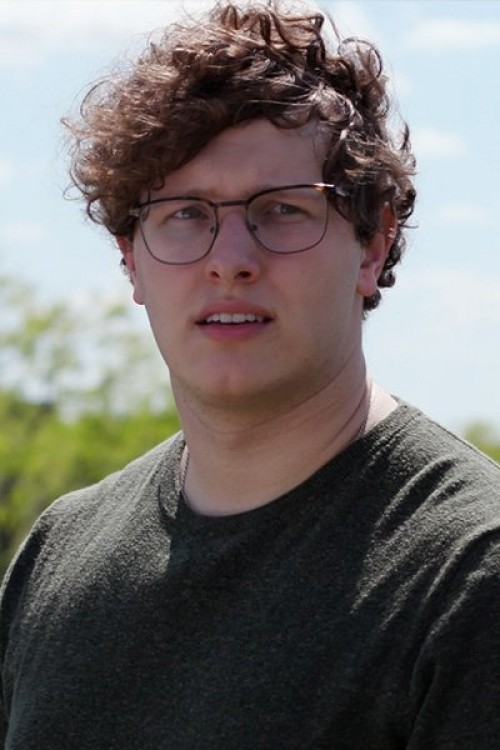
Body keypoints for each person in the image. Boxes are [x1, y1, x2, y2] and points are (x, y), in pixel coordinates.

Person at [1, 1, 499, 747]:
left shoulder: (470, 574)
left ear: (371, 245)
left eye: (283, 210)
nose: (230, 258)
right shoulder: (57, 557)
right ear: (131, 261)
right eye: (185, 213)